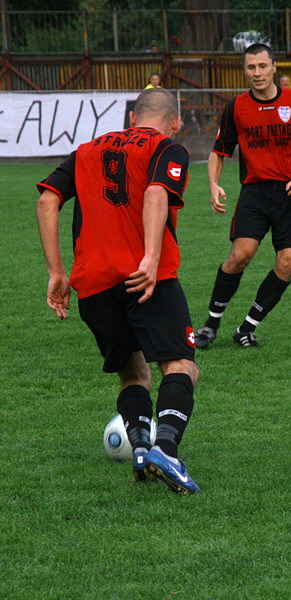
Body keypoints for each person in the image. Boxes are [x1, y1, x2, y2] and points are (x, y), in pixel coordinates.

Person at [36, 88, 200, 494]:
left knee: (133, 374)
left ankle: (141, 446)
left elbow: (46, 201)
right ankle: (166, 448)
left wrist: (57, 272)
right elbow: (156, 193)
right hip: (147, 279)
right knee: (181, 366)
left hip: (92, 285)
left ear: (132, 119)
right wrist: (148, 258)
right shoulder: (167, 147)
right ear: (175, 121)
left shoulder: (87, 149)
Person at [195, 43, 291, 350]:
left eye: (262, 66)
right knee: (241, 256)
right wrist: (213, 185)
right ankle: (210, 325)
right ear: (245, 70)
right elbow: (218, 152)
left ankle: (247, 327)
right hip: (254, 194)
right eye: (251, 67)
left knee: (289, 262)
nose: (257, 73)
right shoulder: (237, 107)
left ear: (274, 67)